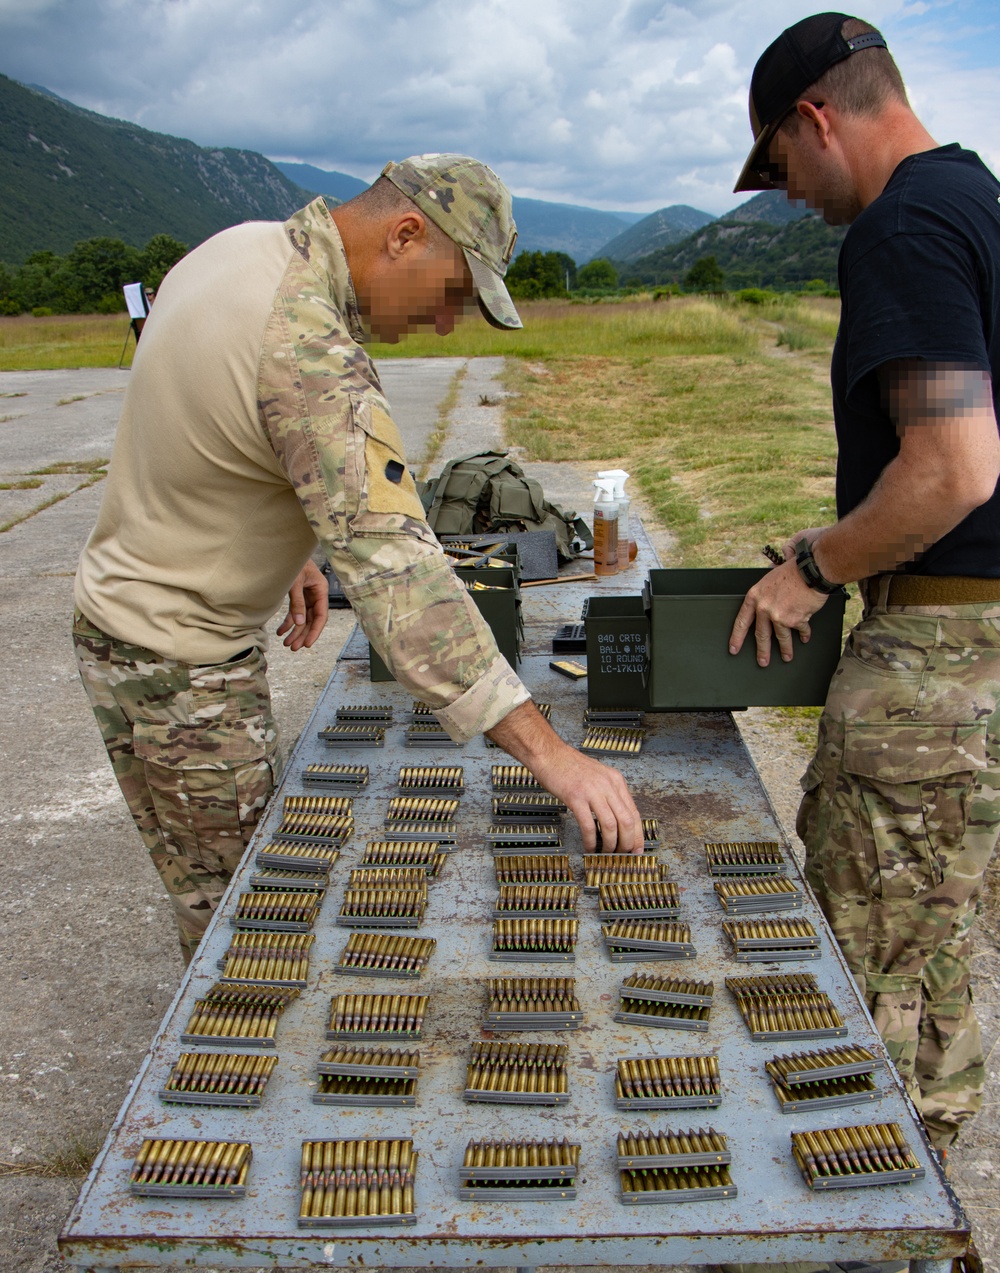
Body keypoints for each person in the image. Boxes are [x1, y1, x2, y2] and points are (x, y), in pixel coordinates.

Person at [74, 153, 643, 964]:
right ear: (407, 234)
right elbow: (397, 577)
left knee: (206, 889)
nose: (446, 323)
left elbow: (205, 416)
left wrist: (288, 544)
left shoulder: (240, 248)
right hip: (183, 673)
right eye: (452, 295)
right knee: (251, 926)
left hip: (120, 628)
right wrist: (551, 756)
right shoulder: (310, 349)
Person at [728, 13, 1000, 1155]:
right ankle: (926, 1198)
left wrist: (815, 566)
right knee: (934, 951)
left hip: (934, 675)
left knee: (864, 982)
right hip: (980, 652)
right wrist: (851, 529)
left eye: (781, 165)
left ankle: (871, 1208)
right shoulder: (978, 200)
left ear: (816, 117)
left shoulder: (900, 227)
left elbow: (956, 465)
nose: (788, 194)